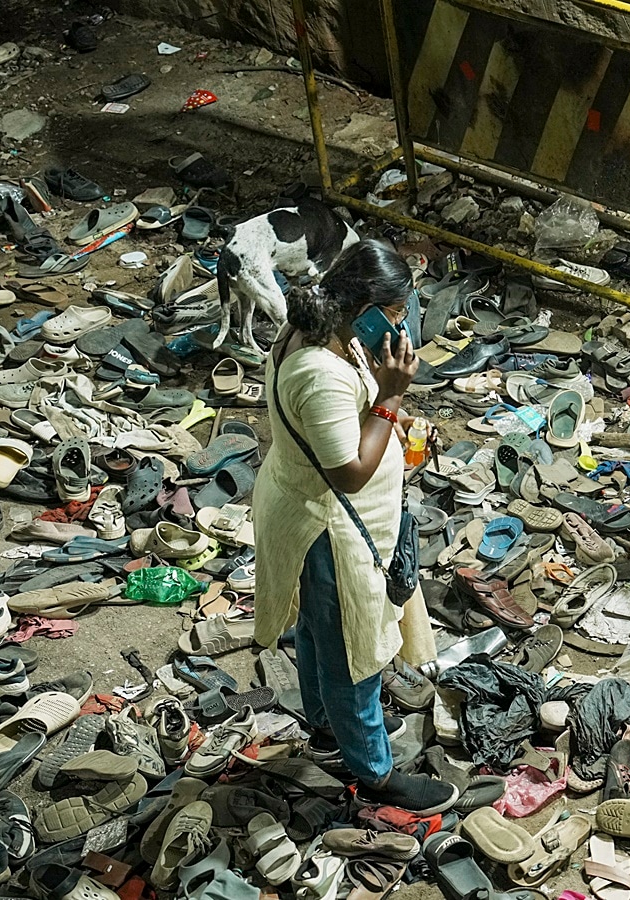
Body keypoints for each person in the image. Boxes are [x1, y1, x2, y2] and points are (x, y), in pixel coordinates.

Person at [252, 238, 456, 814]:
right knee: (353, 653)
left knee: (320, 629)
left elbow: (348, 423)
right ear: (364, 307)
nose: (400, 329)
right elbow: (347, 471)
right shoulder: (319, 368)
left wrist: (392, 415)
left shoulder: (333, 334)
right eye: (394, 316)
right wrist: (391, 399)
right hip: (327, 527)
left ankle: (325, 728)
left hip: (312, 510)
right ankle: (374, 773)